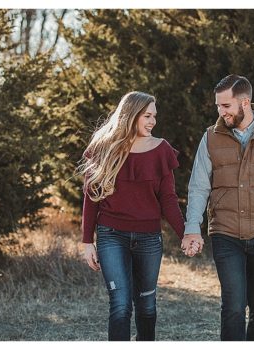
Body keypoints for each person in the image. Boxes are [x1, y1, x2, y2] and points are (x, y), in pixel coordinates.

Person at [182, 74, 254, 341]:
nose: (220, 111)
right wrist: (192, 229)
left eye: (226, 106)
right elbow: (199, 187)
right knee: (233, 308)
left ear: (245, 102)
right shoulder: (210, 138)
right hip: (226, 235)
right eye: (217, 106)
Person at [78, 91, 187, 341]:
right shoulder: (103, 147)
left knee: (147, 308)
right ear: (131, 115)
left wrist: (185, 234)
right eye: (147, 116)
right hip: (110, 236)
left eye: (154, 116)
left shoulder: (161, 149)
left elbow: (168, 199)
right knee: (120, 306)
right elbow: (91, 197)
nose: (153, 121)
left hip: (149, 239)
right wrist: (87, 242)